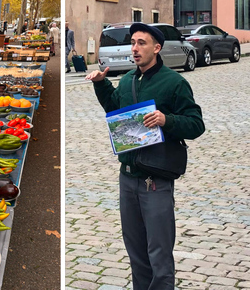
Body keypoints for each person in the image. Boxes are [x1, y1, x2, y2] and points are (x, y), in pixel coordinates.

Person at [85, 23, 205, 290]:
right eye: (134, 43)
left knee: (159, 258)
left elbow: (196, 125)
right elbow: (115, 109)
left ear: (157, 48)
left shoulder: (175, 83)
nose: (135, 48)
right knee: (137, 255)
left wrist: (166, 119)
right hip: (127, 179)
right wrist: (101, 84)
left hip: (156, 181)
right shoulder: (128, 79)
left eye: (142, 43)